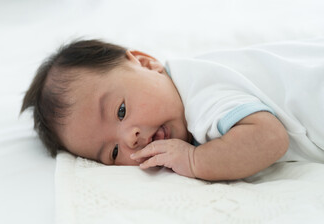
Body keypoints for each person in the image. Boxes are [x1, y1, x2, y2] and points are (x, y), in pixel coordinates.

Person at [21, 38, 324, 181]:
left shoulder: (199, 96)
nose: (131, 139)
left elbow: (270, 138)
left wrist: (195, 160)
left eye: (121, 111)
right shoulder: (185, 80)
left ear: (145, 62)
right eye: (113, 153)